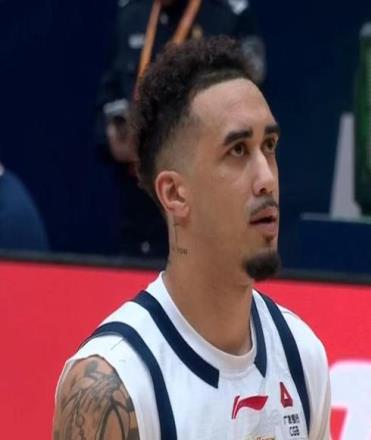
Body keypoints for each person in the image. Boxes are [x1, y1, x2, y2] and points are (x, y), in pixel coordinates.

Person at [53, 37, 330, 439]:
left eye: (269, 146)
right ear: (175, 194)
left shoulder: (302, 356)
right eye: (238, 151)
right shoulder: (113, 384)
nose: (267, 178)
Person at [96, 0, 266, 257]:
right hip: (137, 214)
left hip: (201, 215)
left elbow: (247, 119)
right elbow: (105, 102)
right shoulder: (132, 14)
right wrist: (113, 136)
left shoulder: (228, 17)